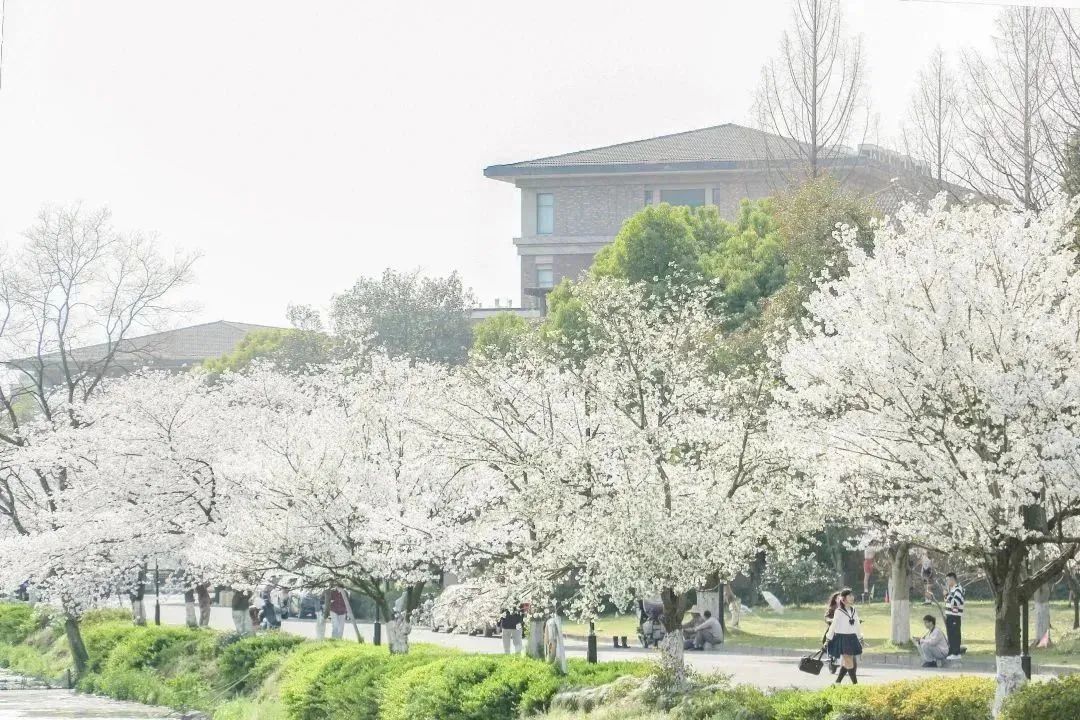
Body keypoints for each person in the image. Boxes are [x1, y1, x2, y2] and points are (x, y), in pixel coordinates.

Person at [825, 588, 863, 684]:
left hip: (852, 638)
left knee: (846, 662)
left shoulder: (854, 610)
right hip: (842, 639)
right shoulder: (839, 611)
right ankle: (856, 685)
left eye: (852, 595)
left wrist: (860, 637)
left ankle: (837, 682)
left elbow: (857, 625)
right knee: (849, 661)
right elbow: (833, 626)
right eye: (849, 596)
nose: (852, 597)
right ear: (843, 599)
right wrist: (828, 639)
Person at [944, 572, 965, 660]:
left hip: (955, 616)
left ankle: (956, 653)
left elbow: (956, 602)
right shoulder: (952, 589)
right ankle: (952, 652)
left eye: (948, 580)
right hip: (950, 615)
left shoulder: (958, 589)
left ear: (952, 579)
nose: (947, 582)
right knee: (950, 634)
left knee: (954, 634)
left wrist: (947, 595)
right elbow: (948, 601)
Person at [824, 591, 842, 674]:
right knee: (830, 638)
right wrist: (831, 620)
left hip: (844, 629)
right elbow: (827, 617)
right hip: (833, 629)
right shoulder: (832, 608)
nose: (840, 599)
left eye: (842, 597)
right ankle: (830, 655)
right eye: (838, 598)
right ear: (835, 599)